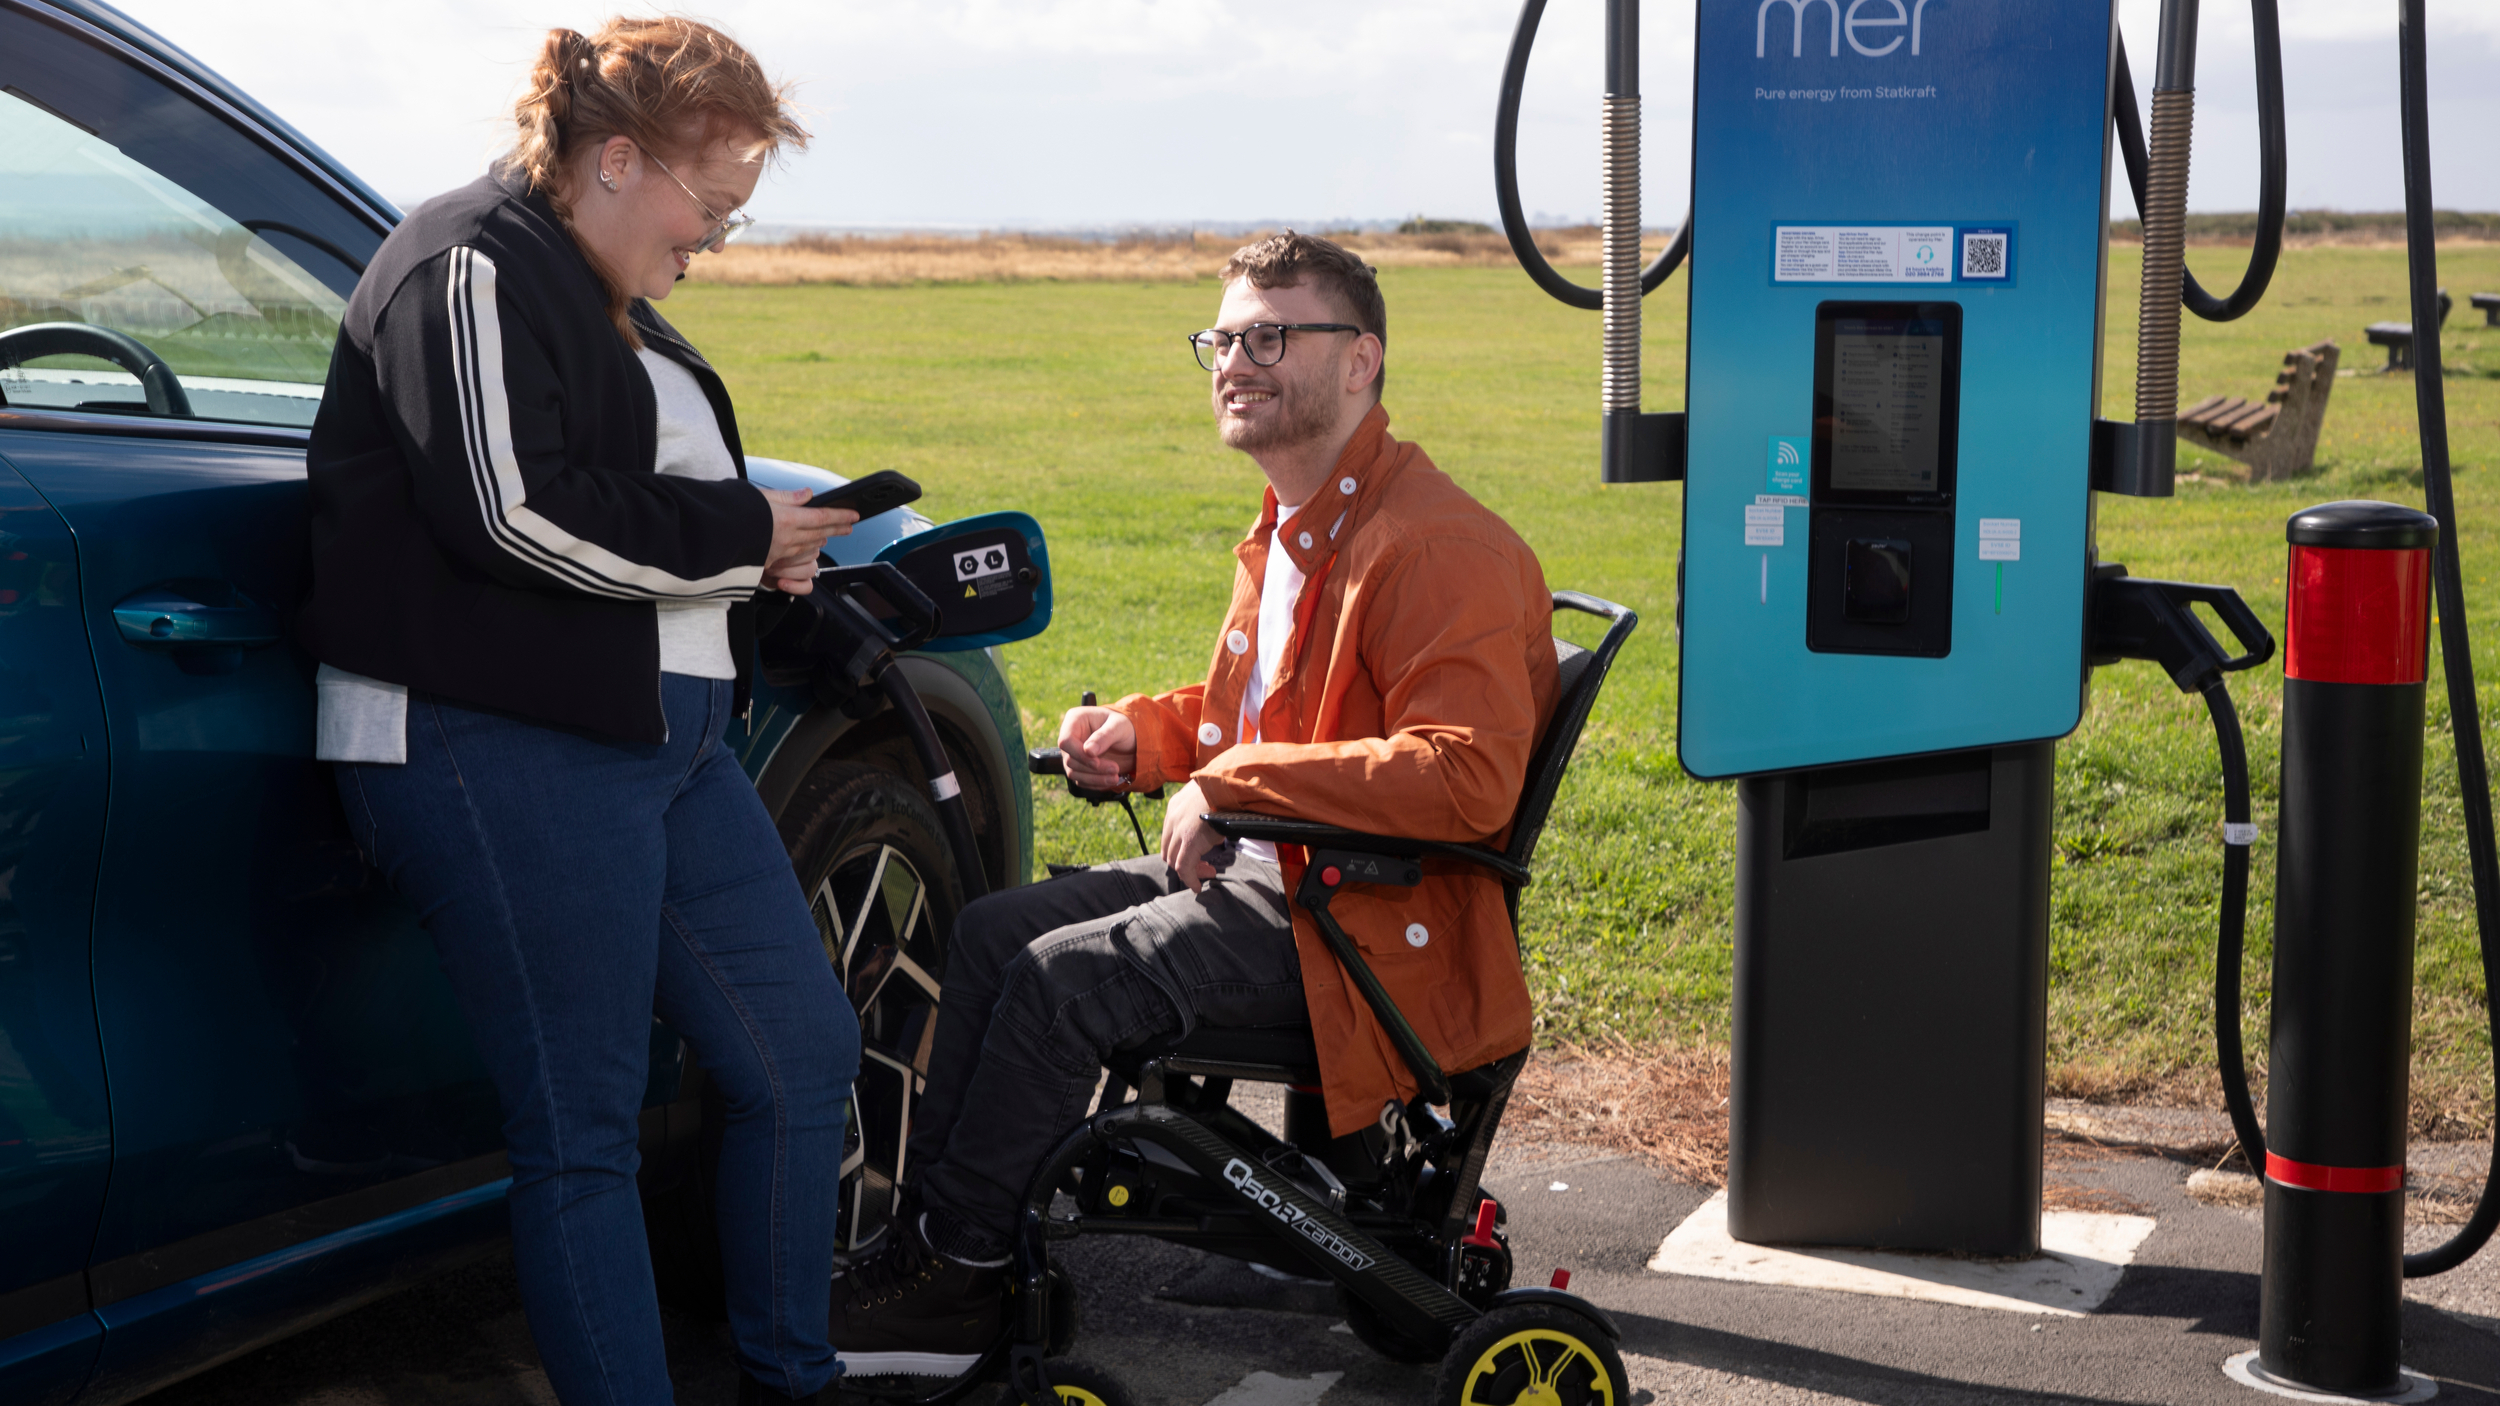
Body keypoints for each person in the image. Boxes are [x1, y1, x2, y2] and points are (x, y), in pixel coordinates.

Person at [828, 232, 1558, 1375]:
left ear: (1360, 359)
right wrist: (1151, 737)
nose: (1236, 359)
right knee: (987, 933)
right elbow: (1263, 724)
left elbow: (1462, 776)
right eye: (1222, 336)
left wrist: (1231, 782)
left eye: (1272, 334)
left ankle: (957, 1282)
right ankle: (934, 1244)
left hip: (1361, 923)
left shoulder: (1434, 544)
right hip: (1285, 879)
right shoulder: (1295, 526)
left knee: (1063, 977)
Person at [297, 19, 857, 1406]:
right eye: (711, 205)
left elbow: (628, 503)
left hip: (660, 743)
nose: (717, 238)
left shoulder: (595, 277)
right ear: (618, 159)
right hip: (500, 740)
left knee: (799, 1049)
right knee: (583, 1130)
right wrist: (742, 534)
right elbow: (511, 511)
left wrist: (767, 556)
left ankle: (797, 1377)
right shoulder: (468, 261)